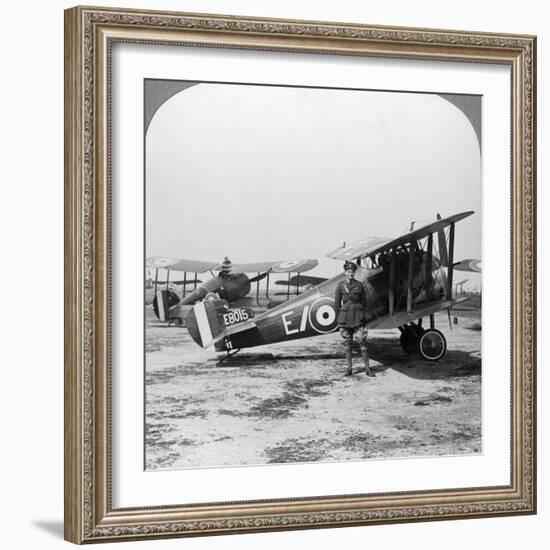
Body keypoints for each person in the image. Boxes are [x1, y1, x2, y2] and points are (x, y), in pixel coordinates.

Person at [334, 261, 374, 377]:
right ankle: (349, 369)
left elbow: (364, 301)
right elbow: (337, 304)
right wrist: (340, 318)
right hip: (345, 318)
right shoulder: (340, 286)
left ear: (354, 273)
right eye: (348, 272)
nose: (350, 274)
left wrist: (360, 312)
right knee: (348, 344)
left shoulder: (359, 285)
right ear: (345, 272)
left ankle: (368, 369)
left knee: (362, 342)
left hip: (358, 317)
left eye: (352, 272)